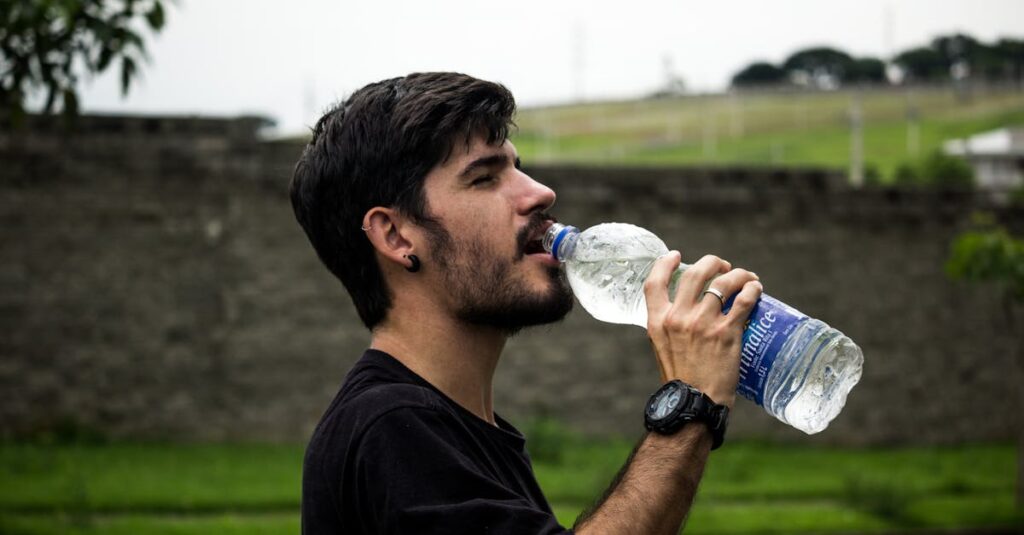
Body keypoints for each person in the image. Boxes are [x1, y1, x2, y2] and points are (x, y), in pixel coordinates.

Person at [290, 72, 762, 534]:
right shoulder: (392, 427)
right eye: (484, 178)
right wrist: (689, 407)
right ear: (396, 235)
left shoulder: (457, 427)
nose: (540, 192)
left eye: (517, 167)